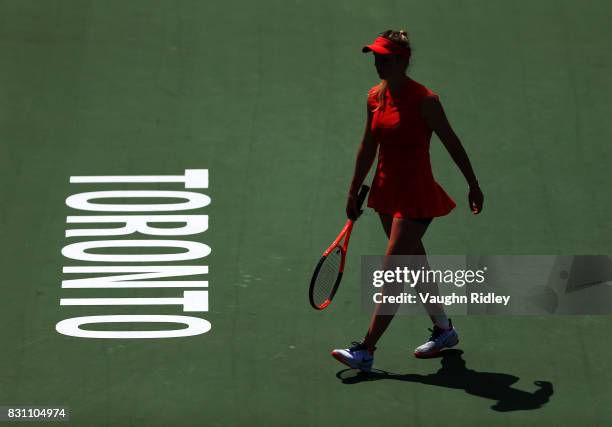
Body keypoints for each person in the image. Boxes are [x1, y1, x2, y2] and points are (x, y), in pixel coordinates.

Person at [331, 30, 484, 372]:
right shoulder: (374, 97)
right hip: (386, 192)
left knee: (393, 272)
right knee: (415, 265)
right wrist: (354, 187)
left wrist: (472, 183)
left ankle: (366, 350)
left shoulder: (425, 101)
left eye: (384, 58)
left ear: (402, 60)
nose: (377, 63)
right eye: (375, 57)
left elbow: (451, 141)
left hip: (416, 195)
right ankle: (444, 330)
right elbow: (368, 145)